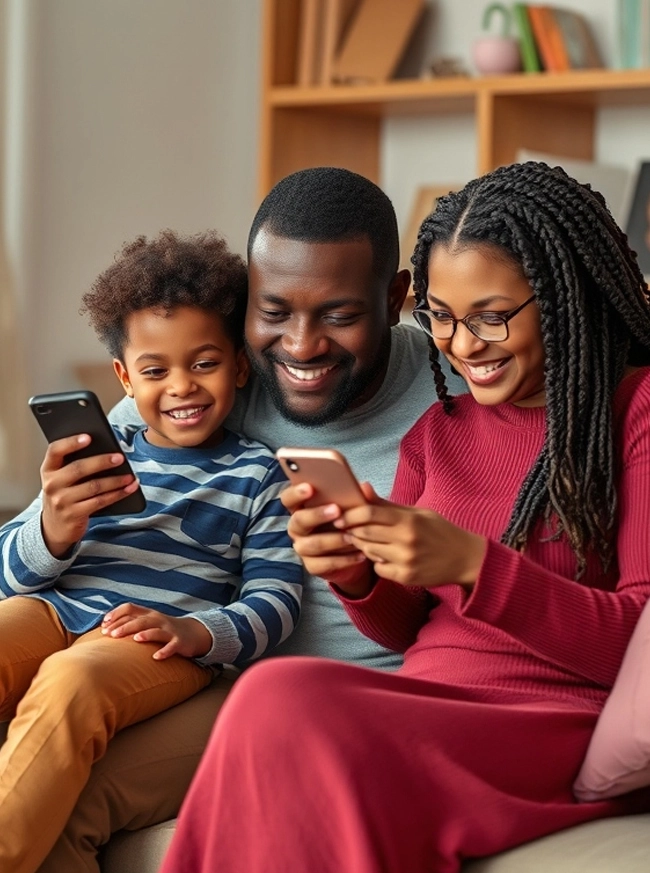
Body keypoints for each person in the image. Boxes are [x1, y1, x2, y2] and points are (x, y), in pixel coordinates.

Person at [158, 161, 650, 873]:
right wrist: (357, 570)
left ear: (563, 296)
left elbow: (638, 639)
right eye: (442, 318)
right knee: (275, 691)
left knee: (281, 701)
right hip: (426, 695)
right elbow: (407, 625)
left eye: (490, 316)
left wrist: (477, 566)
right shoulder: (440, 430)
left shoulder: (633, 414)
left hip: (549, 717)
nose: (462, 345)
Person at [33, 167, 466, 873]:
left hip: (349, 703)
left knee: (75, 797)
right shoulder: (210, 381)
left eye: (338, 314)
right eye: (274, 311)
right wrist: (54, 524)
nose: (300, 346)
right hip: (212, 677)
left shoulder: (454, 396)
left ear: (395, 300)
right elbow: (52, 549)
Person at [0, 229, 302, 873]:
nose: (182, 387)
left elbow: (276, 600)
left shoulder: (261, 475)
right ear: (124, 378)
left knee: (72, 681)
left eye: (204, 362)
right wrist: (54, 526)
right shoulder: (102, 453)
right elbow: (8, 572)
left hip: (153, 639)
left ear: (240, 365)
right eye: (155, 370)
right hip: (57, 608)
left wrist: (195, 631)